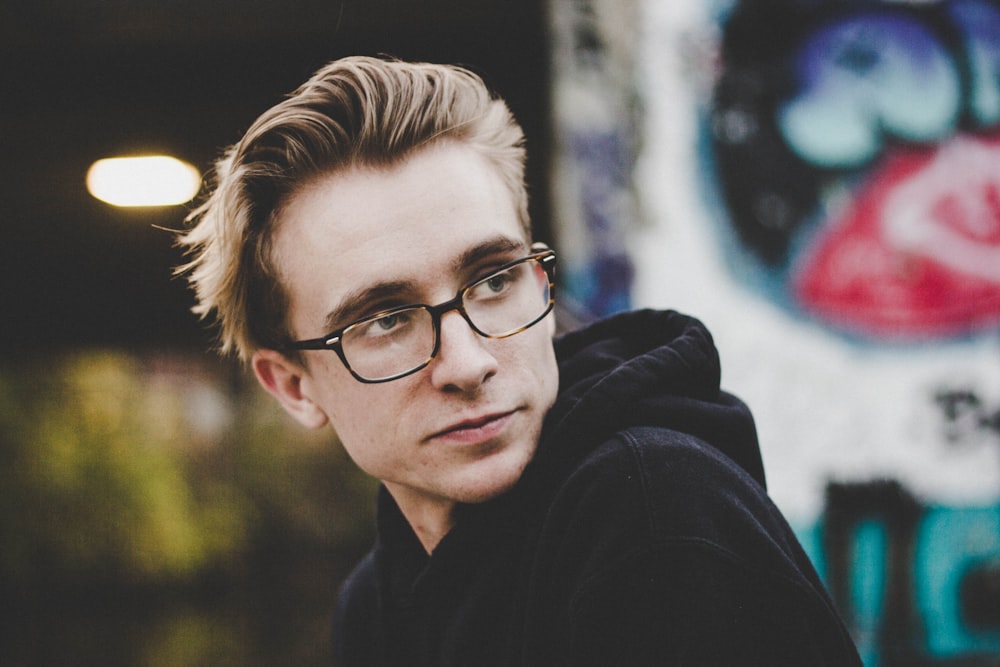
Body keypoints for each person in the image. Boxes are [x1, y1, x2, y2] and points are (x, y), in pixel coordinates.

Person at [178, 55, 861, 665]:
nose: (468, 362)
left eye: (494, 279)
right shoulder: (375, 606)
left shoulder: (652, 514)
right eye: (386, 319)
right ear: (294, 386)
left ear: (541, 281)